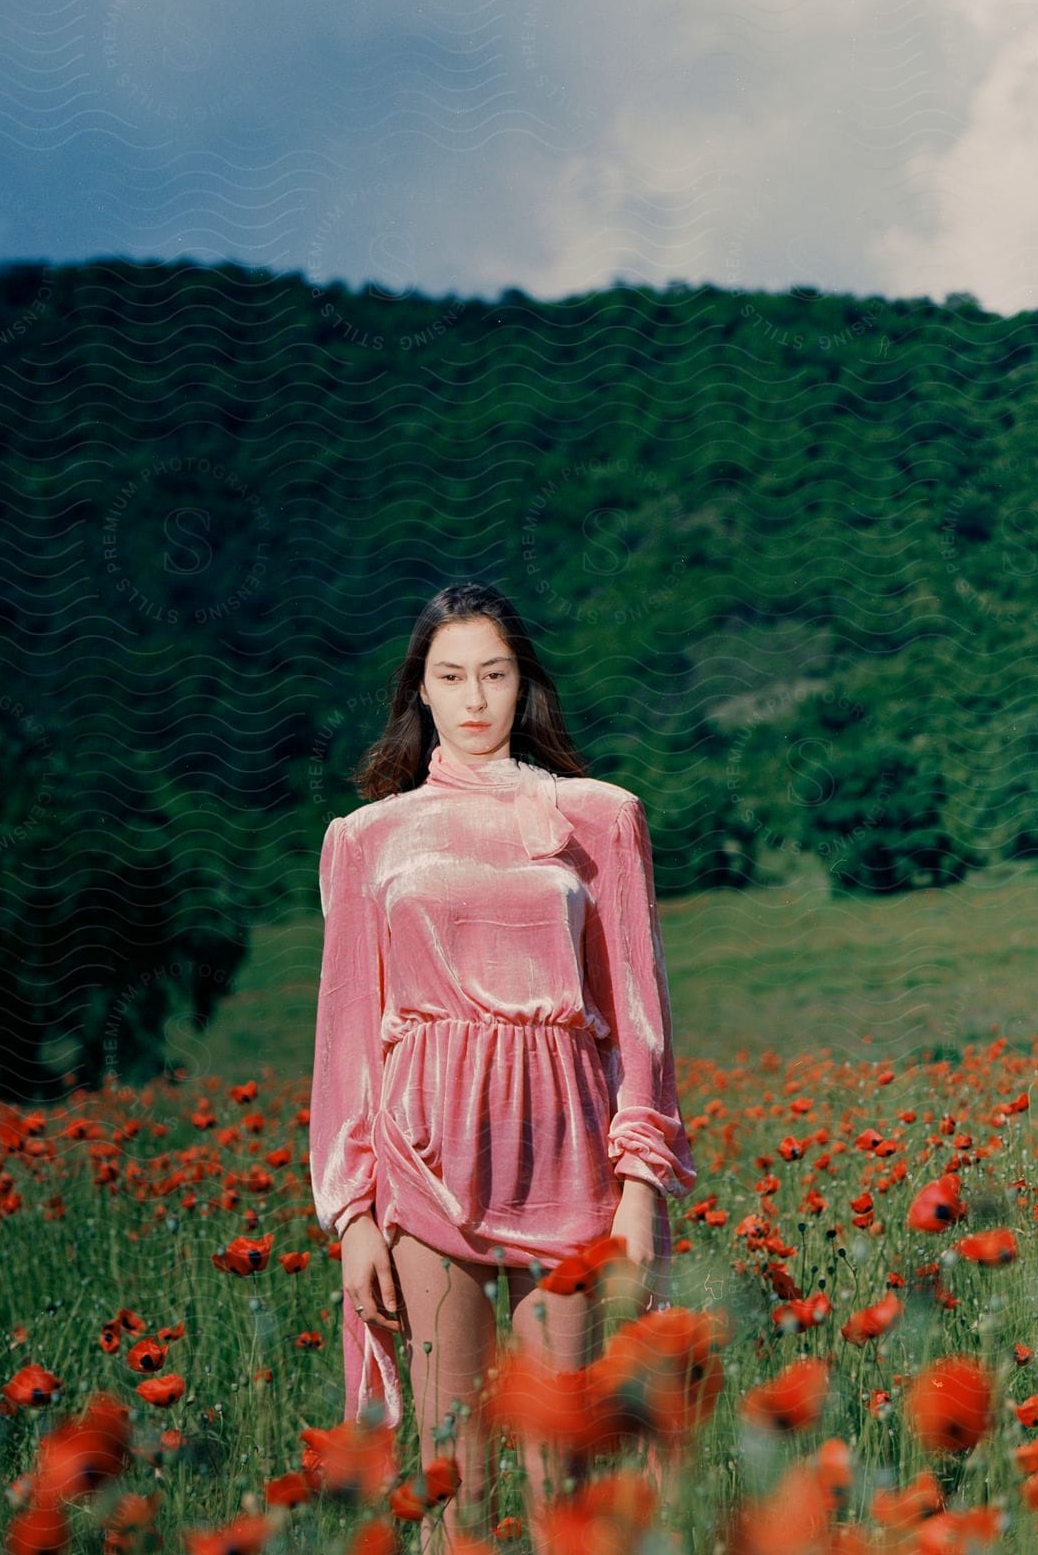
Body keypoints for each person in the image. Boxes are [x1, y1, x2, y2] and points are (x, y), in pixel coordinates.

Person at [309, 581, 696, 1550]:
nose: (474, 697)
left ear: (522, 685)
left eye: (494, 673)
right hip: (422, 1156)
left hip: (569, 1153)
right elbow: (348, 1037)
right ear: (420, 693)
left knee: (560, 1453)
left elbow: (636, 1016)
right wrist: (351, 1213)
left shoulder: (601, 817)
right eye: (451, 677)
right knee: (455, 1462)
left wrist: (640, 1184)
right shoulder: (366, 839)